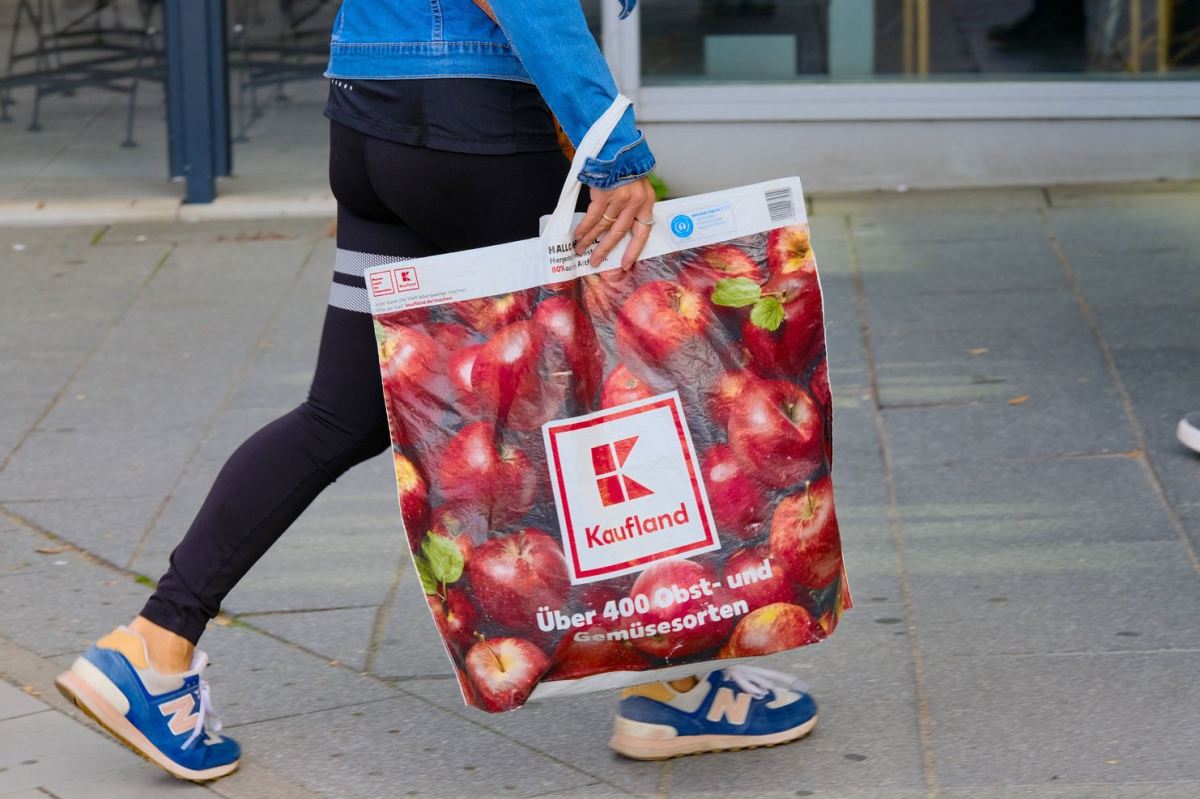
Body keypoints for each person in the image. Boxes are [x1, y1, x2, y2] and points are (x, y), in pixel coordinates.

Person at [53, 0, 817, 782]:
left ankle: (153, 645)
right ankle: (681, 686)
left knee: (341, 412)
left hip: (371, 118)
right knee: (592, 408)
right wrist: (612, 146)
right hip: (475, 123)